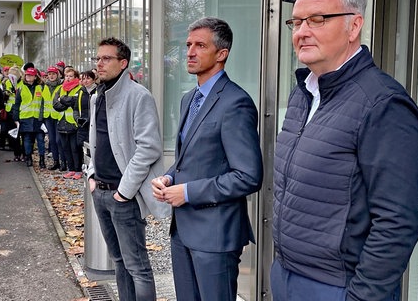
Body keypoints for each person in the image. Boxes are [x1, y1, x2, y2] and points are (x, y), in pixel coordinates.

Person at [270, 0, 418, 301]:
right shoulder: (304, 92)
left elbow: (397, 222)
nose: (302, 32)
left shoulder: (383, 104)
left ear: (354, 26)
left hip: (338, 286)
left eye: (317, 19)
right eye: (296, 22)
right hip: (287, 273)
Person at [150, 18, 263, 301]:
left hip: (215, 236)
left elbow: (248, 176)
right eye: (188, 45)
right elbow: (192, 155)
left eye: (200, 45)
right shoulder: (189, 98)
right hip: (183, 231)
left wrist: (187, 192)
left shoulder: (236, 102)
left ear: (221, 54)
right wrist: (170, 176)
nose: (189, 52)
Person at [85, 37, 171, 301]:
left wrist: (124, 191)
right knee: (119, 261)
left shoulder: (138, 96)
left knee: (138, 267)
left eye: (106, 58)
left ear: (123, 63)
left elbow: (149, 148)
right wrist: (91, 175)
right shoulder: (97, 96)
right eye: (97, 58)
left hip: (124, 195)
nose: (99, 63)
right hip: (100, 190)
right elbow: (96, 140)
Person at [53, 67, 89, 178]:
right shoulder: (60, 88)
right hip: (62, 122)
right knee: (65, 147)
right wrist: (65, 102)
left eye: (71, 76)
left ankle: (78, 170)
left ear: (76, 77)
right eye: (66, 76)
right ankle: (71, 169)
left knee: (75, 148)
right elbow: (55, 104)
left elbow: (74, 103)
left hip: (74, 123)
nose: (68, 78)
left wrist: (62, 100)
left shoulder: (80, 89)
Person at [12, 67, 45, 167]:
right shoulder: (21, 88)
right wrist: (16, 118)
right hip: (25, 117)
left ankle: (42, 160)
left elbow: (44, 103)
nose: (28, 77)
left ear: (35, 77)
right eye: (27, 75)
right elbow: (17, 104)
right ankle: (28, 158)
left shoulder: (41, 87)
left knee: (40, 140)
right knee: (27, 140)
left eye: (30, 75)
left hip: (38, 118)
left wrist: (43, 116)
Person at [41, 66, 62, 170]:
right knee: (52, 140)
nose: (51, 76)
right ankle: (55, 161)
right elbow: (42, 102)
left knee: (59, 140)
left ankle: (63, 160)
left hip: (58, 116)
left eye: (53, 74)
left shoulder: (61, 86)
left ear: (57, 75)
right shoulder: (44, 86)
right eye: (49, 74)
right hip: (48, 116)